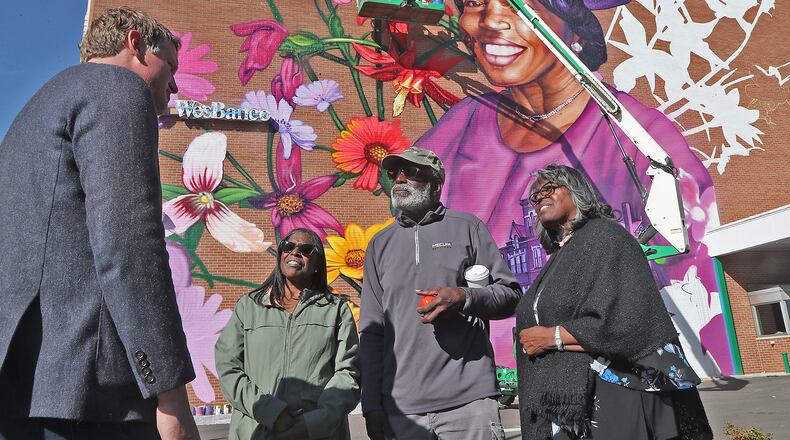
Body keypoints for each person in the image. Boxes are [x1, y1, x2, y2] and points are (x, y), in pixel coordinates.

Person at [417, 0, 729, 374]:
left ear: (574, 29)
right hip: (468, 370)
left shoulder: (640, 137)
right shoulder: (459, 124)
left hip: (584, 368)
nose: (491, 20)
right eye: (474, 3)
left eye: (520, 6)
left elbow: (684, 280)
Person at [0, 7, 199, 440]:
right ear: (135, 44)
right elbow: (129, 244)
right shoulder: (116, 89)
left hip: (25, 386)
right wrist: (170, 394)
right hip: (91, 398)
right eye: (170, 65)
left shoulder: (32, 112)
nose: (175, 85)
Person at [515, 164, 712, 440]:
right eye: (534, 196)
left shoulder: (606, 237)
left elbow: (628, 318)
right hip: (576, 397)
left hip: (619, 391)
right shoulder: (563, 253)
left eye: (549, 188)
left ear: (576, 190)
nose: (540, 198)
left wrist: (553, 337)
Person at [360, 146, 521, 440]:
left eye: (411, 172)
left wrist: (464, 297)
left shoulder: (468, 227)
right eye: (395, 173)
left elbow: (510, 295)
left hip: (468, 399)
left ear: (436, 185)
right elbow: (372, 333)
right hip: (402, 407)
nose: (399, 179)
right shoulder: (379, 245)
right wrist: (371, 404)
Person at [215, 228, 360, 440]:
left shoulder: (335, 310)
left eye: (306, 249)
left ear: (318, 264)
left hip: (316, 434)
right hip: (257, 431)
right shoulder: (250, 307)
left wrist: (313, 423)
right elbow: (228, 366)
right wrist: (272, 412)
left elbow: (349, 374)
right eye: (288, 246)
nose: (295, 252)